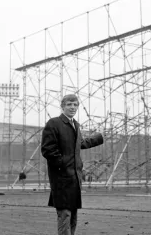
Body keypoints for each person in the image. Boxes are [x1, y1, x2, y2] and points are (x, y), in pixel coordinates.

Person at [41, 94, 104, 235]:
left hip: (75, 177)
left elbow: (80, 143)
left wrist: (99, 138)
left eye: (75, 105)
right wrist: (63, 165)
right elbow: (47, 150)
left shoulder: (75, 125)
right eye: (69, 104)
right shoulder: (54, 123)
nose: (72, 107)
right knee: (65, 215)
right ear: (62, 106)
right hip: (62, 178)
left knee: (73, 215)